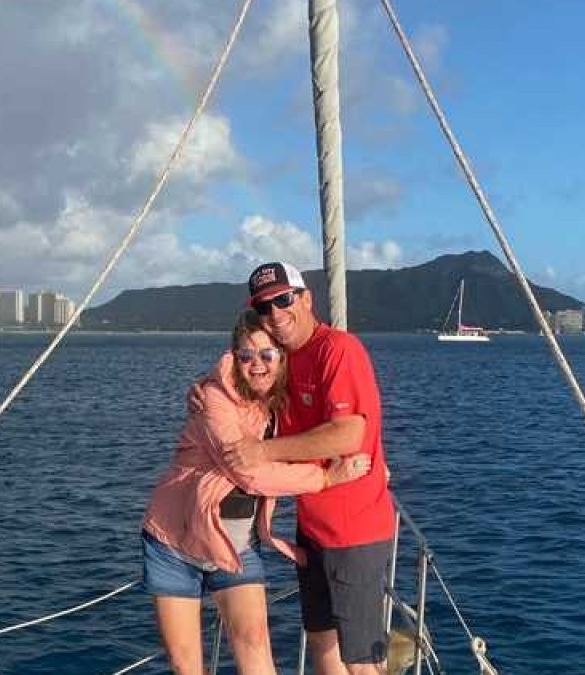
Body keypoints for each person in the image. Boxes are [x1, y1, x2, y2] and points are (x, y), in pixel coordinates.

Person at [143, 310, 371, 675]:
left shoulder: (281, 403)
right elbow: (247, 474)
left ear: (282, 358)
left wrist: (372, 461)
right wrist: (327, 480)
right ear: (234, 358)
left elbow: (328, 427)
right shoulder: (214, 399)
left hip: (235, 547)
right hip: (173, 544)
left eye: (267, 354)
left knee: (255, 645)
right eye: (246, 355)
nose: (257, 365)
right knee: (186, 665)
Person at [220, 262, 397, 675]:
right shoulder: (284, 359)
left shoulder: (338, 349)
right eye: (265, 306)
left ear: (306, 298)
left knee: (362, 660)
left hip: (354, 531)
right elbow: (244, 368)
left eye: (284, 299)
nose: (276, 313)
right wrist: (206, 392)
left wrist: (262, 452)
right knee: (321, 641)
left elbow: (348, 434)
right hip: (313, 528)